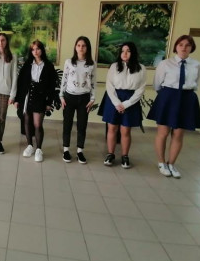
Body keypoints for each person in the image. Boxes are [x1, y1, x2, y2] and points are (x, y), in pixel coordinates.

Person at [147, 35, 200, 178]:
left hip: (186, 99)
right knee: (163, 133)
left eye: (187, 45)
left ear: (191, 48)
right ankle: (161, 162)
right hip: (168, 98)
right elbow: (157, 84)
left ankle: (171, 163)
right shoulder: (165, 63)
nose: (184, 48)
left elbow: (196, 83)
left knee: (178, 134)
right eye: (181, 44)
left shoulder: (196, 64)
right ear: (176, 47)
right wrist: (167, 96)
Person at [101, 42, 146, 168]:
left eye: (128, 51)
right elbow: (109, 85)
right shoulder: (114, 66)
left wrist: (126, 104)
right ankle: (110, 154)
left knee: (125, 130)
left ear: (133, 53)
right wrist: (117, 103)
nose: (125, 53)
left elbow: (141, 89)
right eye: (122, 51)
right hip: (114, 99)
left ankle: (125, 156)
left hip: (131, 100)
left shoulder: (141, 68)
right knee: (112, 128)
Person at [14, 40, 58, 163]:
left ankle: (39, 149)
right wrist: (17, 99)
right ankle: (29, 146)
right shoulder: (27, 65)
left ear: (42, 50)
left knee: (37, 124)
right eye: (33, 49)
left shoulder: (48, 65)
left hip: (41, 97)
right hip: (27, 96)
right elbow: (20, 83)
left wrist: (49, 102)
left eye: (38, 49)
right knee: (27, 121)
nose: (35, 51)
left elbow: (52, 85)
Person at [59, 36, 96, 164]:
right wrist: (61, 96)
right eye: (79, 45)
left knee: (82, 125)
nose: (81, 48)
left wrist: (92, 98)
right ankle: (66, 150)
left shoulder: (91, 64)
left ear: (87, 48)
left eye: (83, 46)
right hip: (69, 97)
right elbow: (64, 79)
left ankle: (80, 151)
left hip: (84, 98)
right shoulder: (69, 62)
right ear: (75, 47)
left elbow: (93, 82)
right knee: (67, 124)